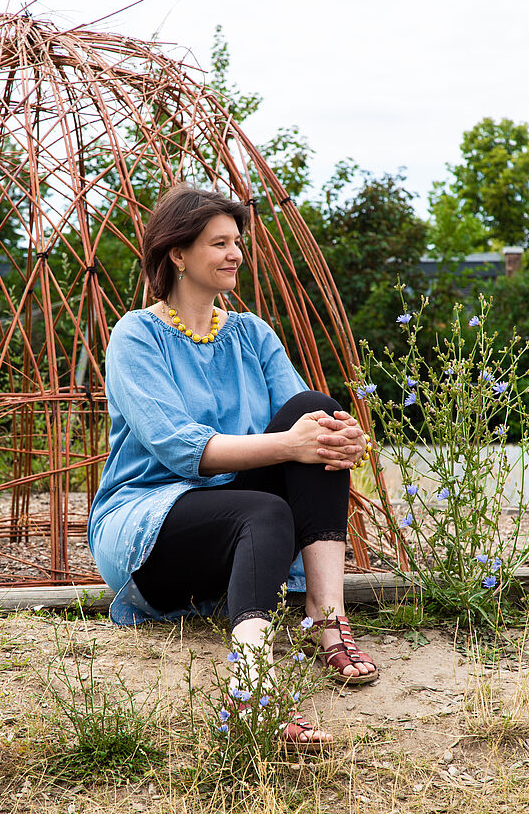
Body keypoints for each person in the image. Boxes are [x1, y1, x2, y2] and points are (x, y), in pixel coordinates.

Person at [87, 184, 377, 748]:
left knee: (316, 410)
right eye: (219, 243)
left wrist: (341, 439)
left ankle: (328, 618)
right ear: (177, 253)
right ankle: (252, 691)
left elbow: (303, 426)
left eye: (237, 242)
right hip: (150, 522)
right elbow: (179, 449)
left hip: (240, 509)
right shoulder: (137, 336)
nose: (235, 254)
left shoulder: (251, 333)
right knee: (264, 509)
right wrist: (293, 446)